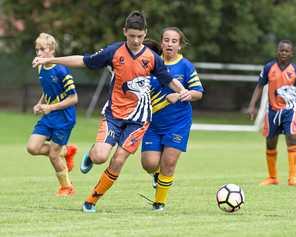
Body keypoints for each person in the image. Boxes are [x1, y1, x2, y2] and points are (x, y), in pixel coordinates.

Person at [32, 11, 190, 213]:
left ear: (145, 34)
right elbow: (83, 60)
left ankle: (91, 200)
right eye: (131, 35)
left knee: (118, 159)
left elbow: (168, 79)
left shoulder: (152, 58)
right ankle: (91, 154)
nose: (135, 40)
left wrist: (183, 91)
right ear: (124, 32)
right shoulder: (114, 52)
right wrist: (51, 61)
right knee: (100, 157)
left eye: (140, 36)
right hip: (114, 115)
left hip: (139, 120)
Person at [141, 27, 204, 211]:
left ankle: (159, 203)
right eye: (166, 40)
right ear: (161, 43)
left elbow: (198, 93)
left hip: (178, 123)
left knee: (169, 162)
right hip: (153, 124)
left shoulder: (185, 66)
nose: (169, 44)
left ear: (180, 45)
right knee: (149, 164)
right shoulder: (152, 63)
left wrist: (181, 95)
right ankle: (156, 175)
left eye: (174, 41)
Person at [248, 39, 296, 186]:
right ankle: (272, 177)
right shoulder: (268, 68)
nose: (283, 53)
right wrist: (252, 105)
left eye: (287, 51)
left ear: (292, 53)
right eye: (281, 50)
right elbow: (259, 86)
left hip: (290, 111)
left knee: (292, 139)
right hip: (272, 111)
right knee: (270, 142)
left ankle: (293, 177)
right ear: (277, 51)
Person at [27, 33, 78, 196]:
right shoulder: (41, 67)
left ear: (51, 50)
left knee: (53, 154)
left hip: (64, 119)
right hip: (49, 116)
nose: (39, 53)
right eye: (37, 50)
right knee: (32, 148)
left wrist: (52, 107)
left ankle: (66, 187)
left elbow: (74, 98)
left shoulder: (62, 70)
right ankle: (66, 151)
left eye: (42, 49)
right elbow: (47, 89)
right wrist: (39, 103)